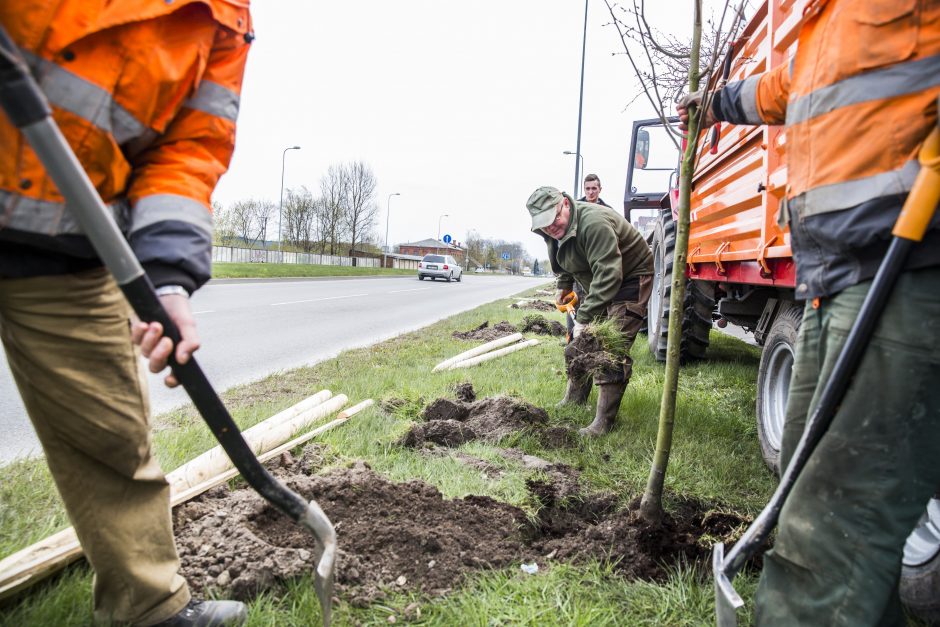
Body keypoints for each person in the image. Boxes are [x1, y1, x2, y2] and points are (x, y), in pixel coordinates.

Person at [678, 0, 940, 624]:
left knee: (829, 524)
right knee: (801, 471)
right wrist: (710, 104)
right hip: (831, 277)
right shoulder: (826, 18)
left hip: (904, 264)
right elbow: (782, 89)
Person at [0, 2, 255, 625]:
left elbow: (188, 153)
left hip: (67, 243)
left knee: (112, 435)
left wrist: (169, 281)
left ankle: (150, 610)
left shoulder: (225, 21)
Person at [527, 186, 653, 436]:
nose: (550, 228)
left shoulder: (594, 223)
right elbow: (564, 259)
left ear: (565, 203)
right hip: (596, 280)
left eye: (554, 220)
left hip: (629, 277)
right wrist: (563, 286)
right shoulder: (553, 229)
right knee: (578, 343)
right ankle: (575, 399)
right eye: (543, 225)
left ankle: (603, 423)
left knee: (609, 347)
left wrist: (584, 319)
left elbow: (610, 273)